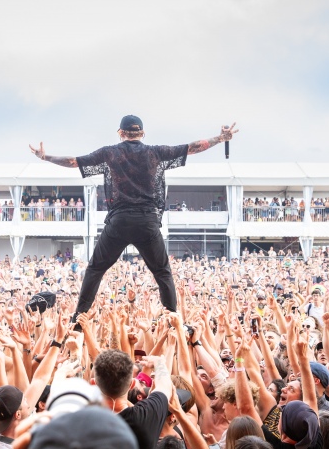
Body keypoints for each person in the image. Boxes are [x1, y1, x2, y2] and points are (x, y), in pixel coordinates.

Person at [30, 115, 238, 324]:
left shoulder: (109, 153)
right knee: (162, 272)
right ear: (142, 133)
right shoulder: (155, 152)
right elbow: (192, 148)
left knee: (95, 269)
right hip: (147, 221)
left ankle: (78, 318)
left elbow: (73, 162)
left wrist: (45, 157)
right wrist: (220, 139)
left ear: (120, 133)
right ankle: (172, 319)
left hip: (119, 222)